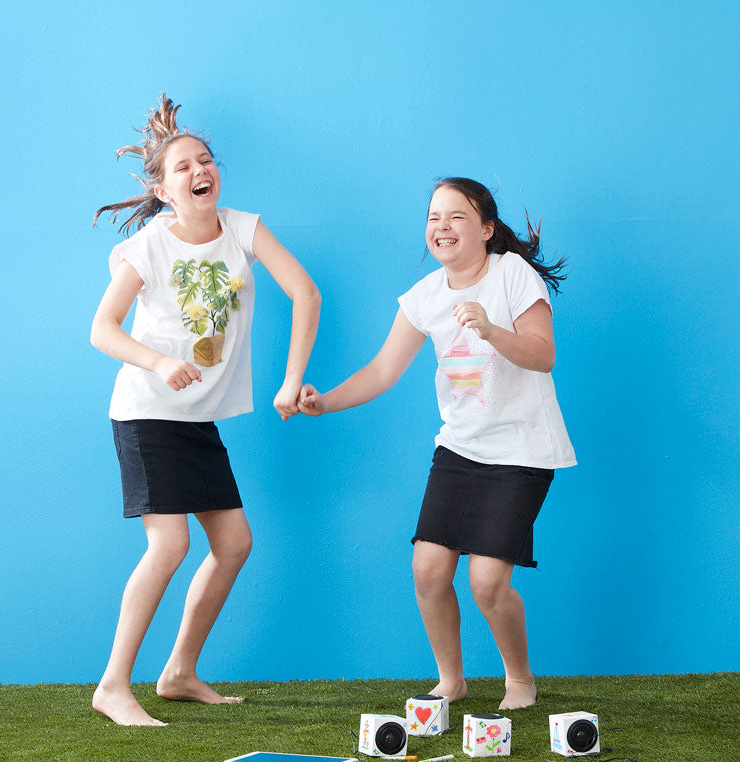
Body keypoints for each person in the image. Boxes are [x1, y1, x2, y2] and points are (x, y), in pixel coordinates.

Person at [298, 177, 575, 710]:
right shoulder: (424, 297)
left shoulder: (511, 275)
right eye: (433, 218)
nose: (442, 227)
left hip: (521, 450)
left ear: (487, 229)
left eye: (456, 217)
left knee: (487, 583)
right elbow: (382, 370)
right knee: (427, 569)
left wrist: (491, 330)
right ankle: (451, 681)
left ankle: (519, 680)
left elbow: (544, 355)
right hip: (460, 448)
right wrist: (324, 402)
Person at [90, 95, 320, 726]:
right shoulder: (150, 247)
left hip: (196, 419)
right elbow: (102, 330)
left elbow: (305, 293)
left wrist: (291, 380)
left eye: (206, 160)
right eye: (184, 166)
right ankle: (113, 685)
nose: (200, 170)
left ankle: (179, 673)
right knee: (170, 543)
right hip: (146, 413)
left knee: (234, 542)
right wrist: (159, 362)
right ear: (163, 191)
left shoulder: (243, 229)